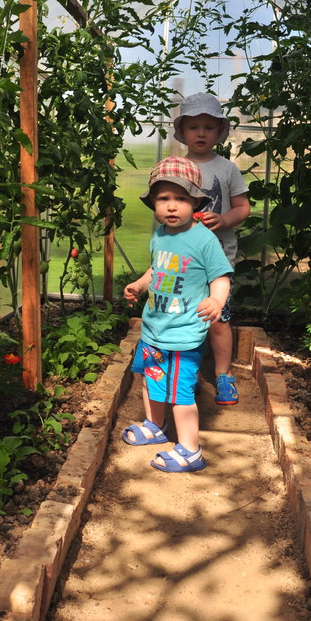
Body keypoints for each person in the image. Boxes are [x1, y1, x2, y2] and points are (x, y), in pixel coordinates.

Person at [122, 156, 232, 473]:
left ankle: (190, 449)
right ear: (154, 204)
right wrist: (141, 285)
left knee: (181, 394)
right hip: (155, 328)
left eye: (181, 198)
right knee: (151, 381)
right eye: (164, 199)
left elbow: (221, 276)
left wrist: (216, 300)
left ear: (195, 201)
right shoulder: (160, 234)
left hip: (184, 334)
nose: (172, 206)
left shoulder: (203, 239)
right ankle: (155, 426)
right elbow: (157, 268)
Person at [173, 93, 250, 406]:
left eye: (208, 126)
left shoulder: (227, 169)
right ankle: (185, 375)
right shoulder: (175, 168)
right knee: (182, 320)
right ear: (183, 132)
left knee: (218, 321)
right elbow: (164, 204)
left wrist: (224, 219)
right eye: (194, 127)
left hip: (217, 264)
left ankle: (222, 375)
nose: (201, 133)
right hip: (182, 263)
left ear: (220, 132)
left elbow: (243, 207)